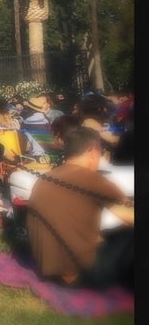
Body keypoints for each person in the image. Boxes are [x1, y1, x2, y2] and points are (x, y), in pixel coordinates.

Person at [26, 124, 134, 289]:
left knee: (111, 233)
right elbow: (130, 216)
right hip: (81, 276)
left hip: (48, 270)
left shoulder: (45, 178)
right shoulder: (92, 179)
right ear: (93, 151)